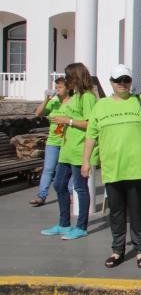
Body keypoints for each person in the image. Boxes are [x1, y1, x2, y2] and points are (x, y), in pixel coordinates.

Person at [81, 64, 141, 269]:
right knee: (116, 212)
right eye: (118, 80)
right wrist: (86, 161)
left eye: (126, 80)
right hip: (112, 168)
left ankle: (140, 250)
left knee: (138, 211)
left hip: (136, 167)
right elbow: (91, 136)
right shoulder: (100, 106)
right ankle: (117, 250)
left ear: (131, 82)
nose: (122, 84)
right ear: (111, 82)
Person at [41, 63, 97, 241]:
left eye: (68, 77)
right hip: (67, 148)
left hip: (79, 149)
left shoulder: (87, 97)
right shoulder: (75, 96)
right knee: (58, 184)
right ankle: (64, 223)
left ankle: (81, 226)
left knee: (80, 187)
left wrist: (68, 121)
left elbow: (90, 123)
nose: (67, 81)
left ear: (76, 77)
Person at [30, 77, 69, 207]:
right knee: (48, 169)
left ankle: (68, 194)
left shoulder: (72, 102)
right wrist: (46, 98)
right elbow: (38, 113)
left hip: (67, 141)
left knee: (65, 171)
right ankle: (41, 196)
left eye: (60, 87)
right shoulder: (54, 102)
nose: (57, 90)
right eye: (56, 87)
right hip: (53, 140)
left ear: (68, 88)